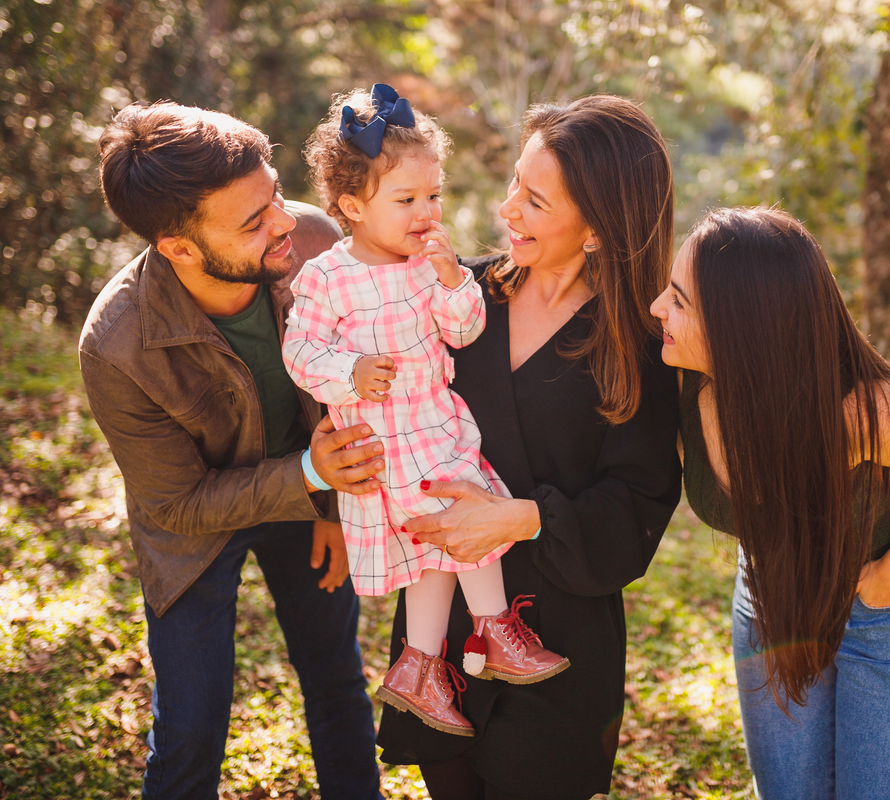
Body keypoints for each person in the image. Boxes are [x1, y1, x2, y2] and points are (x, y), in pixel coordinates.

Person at [314, 94, 682, 800]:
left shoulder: (640, 347)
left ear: (599, 230)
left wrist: (520, 517)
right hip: (439, 632)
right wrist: (331, 452)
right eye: (516, 181)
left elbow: (637, 505)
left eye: (535, 201)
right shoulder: (452, 293)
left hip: (556, 637)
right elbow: (357, 372)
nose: (507, 208)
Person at [79, 102, 382, 800]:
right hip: (196, 528)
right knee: (190, 728)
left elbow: (349, 389)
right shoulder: (116, 344)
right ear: (179, 248)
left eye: (275, 195)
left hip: (312, 499)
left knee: (336, 679)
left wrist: (332, 506)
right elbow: (177, 504)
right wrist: (310, 475)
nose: (283, 222)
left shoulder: (313, 241)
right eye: (253, 221)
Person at [649, 206, 890, 800]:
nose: (656, 309)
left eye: (678, 301)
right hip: (774, 601)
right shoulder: (683, 377)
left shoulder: (852, 412)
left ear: (740, 327)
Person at [282, 84, 568, 739]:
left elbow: (463, 331)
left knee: (444, 542)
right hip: (384, 441)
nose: (426, 213)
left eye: (433, 196)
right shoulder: (328, 277)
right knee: (456, 528)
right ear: (352, 206)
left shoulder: (426, 265)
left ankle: (422, 664)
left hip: (437, 425)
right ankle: (490, 632)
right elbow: (300, 353)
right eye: (406, 200)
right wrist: (349, 373)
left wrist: (451, 280)